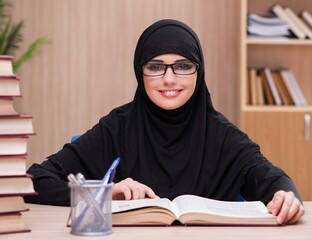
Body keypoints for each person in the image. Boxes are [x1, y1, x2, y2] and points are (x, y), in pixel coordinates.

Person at [25, 19, 304, 224]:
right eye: (155, 67)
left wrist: (286, 195)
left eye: (183, 66)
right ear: (140, 72)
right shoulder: (116, 128)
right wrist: (103, 193)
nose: (169, 79)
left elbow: (272, 179)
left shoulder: (223, 136)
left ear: (199, 72)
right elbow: (34, 179)